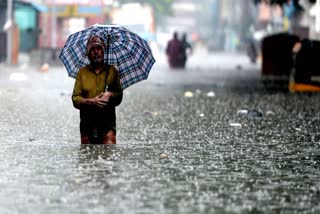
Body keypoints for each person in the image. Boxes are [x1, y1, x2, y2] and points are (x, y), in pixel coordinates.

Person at [72, 35, 123, 144]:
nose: (96, 52)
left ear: (103, 51)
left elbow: (119, 96)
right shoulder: (82, 73)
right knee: (87, 155)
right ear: (88, 54)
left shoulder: (112, 71)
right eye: (92, 49)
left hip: (107, 123)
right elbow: (75, 99)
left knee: (109, 153)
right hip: (87, 124)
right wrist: (91, 101)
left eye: (99, 48)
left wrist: (110, 94)